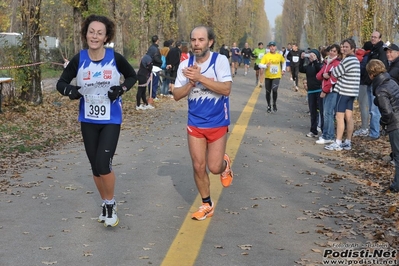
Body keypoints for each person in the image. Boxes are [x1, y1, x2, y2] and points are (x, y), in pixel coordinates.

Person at [56, 14, 137, 227]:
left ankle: (110, 204)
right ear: (85, 34)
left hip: (111, 119)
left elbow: (132, 77)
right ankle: (105, 202)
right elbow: (61, 83)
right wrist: (70, 91)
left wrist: (121, 89)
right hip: (88, 119)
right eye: (91, 31)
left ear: (106, 37)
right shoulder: (78, 59)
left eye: (99, 33)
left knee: (103, 163)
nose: (95, 36)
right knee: (94, 166)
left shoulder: (115, 57)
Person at [172, 26, 234, 221]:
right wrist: (191, 83)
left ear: (210, 42)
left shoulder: (220, 61)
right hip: (195, 123)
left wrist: (200, 78)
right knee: (199, 166)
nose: (196, 44)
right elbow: (176, 95)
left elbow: (226, 89)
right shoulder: (185, 65)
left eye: (201, 40)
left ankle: (225, 165)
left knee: (213, 167)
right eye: (193, 40)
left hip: (217, 122)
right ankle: (207, 204)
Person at [366, 59, 399, 193]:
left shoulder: (380, 90)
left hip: (395, 125)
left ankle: (397, 185)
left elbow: (387, 112)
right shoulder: (392, 82)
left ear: (371, 75)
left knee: (397, 156)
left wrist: (383, 123)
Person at [325, 38, 360, 151]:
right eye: (343, 46)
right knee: (349, 117)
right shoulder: (355, 60)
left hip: (344, 91)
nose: (344, 49)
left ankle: (338, 142)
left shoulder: (348, 60)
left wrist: (332, 73)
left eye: (346, 47)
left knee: (339, 117)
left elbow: (335, 72)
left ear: (352, 49)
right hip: (352, 92)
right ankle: (348, 142)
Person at [363, 31, 389, 140]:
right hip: (370, 83)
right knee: (372, 109)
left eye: (375, 37)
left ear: (379, 39)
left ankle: (374, 133)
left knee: (375, 110)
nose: (373, 38)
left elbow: (381, 68)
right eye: (372, 36)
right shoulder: (373, 49)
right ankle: (374, 130)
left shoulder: (381, 51)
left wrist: (374, 79)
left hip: (376, 83)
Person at [316, 44, 341, 144]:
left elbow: (333, 80)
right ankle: (326, 134)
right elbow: (318, 76)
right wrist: (323, 75)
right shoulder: (327, 62)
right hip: (326, 90)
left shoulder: (336, 64)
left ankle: (329, 136)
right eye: (331, 50)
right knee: (325, 113)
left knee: (328, 114)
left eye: (334, 51)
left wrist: (324, 91)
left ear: (337, 53)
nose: (332, 52)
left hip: (332, 91)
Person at [299, 48, 323, 138]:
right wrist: (302, 59)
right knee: (313, 112)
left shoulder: (319, 64)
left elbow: (320, 70)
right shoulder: (308, 66)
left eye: (313, 55)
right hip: (311, 91)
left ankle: (324, 131)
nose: (311, 57)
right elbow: (301, 69)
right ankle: (313, 130)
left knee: (321, 111)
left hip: (319, 90)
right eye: (310, 55)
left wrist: (316, 61)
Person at [258, 41, 286, 113]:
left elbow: (284, 62)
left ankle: (274, 103)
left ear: (275, 47)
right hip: (268, 76)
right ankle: (268, 105)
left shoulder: (279, 55)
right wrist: (265, 66)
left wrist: (283, 70)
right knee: (268, 92)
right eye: (271, 46)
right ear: (269, 47)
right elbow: (260, 64)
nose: (272, 47)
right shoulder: (266, 56)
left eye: (273, 46)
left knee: (274, 90)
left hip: (276, 76)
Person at [353, 41, 372, 137]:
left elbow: (361, 69)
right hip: (365, 83)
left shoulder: (365, 58)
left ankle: (365, 128)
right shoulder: (369, 56)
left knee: (363, 106)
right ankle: (366, 127)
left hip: (363, 84)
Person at [146, 35, 163, 101]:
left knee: (150, 81)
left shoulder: (150, 48)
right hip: (155, 67)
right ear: (157, 40)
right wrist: (161, 62)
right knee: (155, 82)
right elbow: (156, 58)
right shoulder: (155, 49)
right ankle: (153, 95)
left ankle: (151, 94)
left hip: (150, 66)